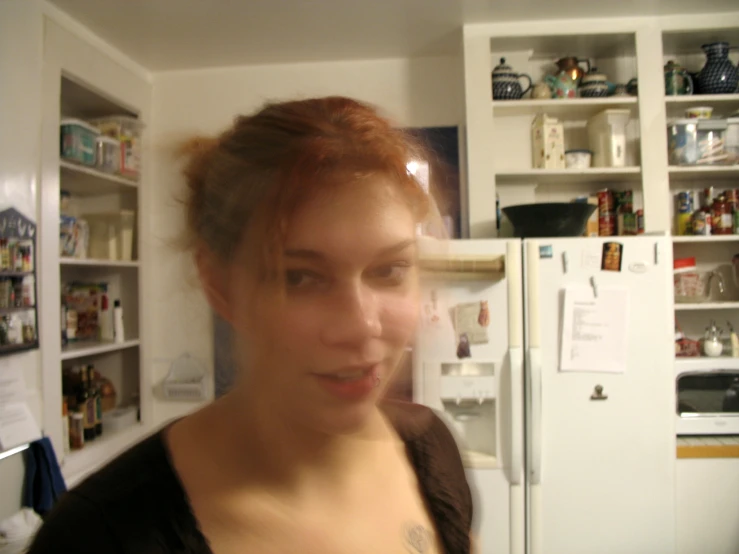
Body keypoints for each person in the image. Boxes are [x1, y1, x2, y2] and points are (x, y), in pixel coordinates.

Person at [28, 97, 474, 553]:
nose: (360, 326)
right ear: (220, 284)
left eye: (389, 270)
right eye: (301, 277)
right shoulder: (97, 537)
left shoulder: (433, 450)